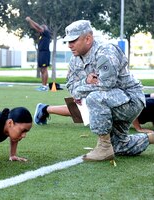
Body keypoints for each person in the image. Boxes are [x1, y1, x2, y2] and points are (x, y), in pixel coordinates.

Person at [62, 20, 153, 161]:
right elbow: (70, 86)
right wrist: (86, 81)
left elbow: (106, 84)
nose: (69, 45)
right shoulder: (75, 60)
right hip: (112, 101)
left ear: (88, 39)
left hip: (130, 99)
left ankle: (104, 147)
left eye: (73, 40)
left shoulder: (106, 51)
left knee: (94, 98)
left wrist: (81, 88)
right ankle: (150, 138)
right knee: (119, 146)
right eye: (68, 41)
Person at [34, 93, 154, 134]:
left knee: (81, 112)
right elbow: (131, 106)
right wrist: (138, 128)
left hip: (115, 107)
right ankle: (45, 109)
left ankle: (45, 108)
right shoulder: (150, 104)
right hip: (113, 105)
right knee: (80, 112)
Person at [26, 16, 51, 91]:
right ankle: (43, 85)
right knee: (41, 70)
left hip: (45, 53)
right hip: (41, 53)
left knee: (44, 69)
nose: (41, 28)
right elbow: (35, 27)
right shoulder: (41, 35)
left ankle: (45, 86)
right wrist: (30, 22)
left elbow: (38, 27)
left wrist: (31, 19)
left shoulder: (46, 33)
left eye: (43, 27)